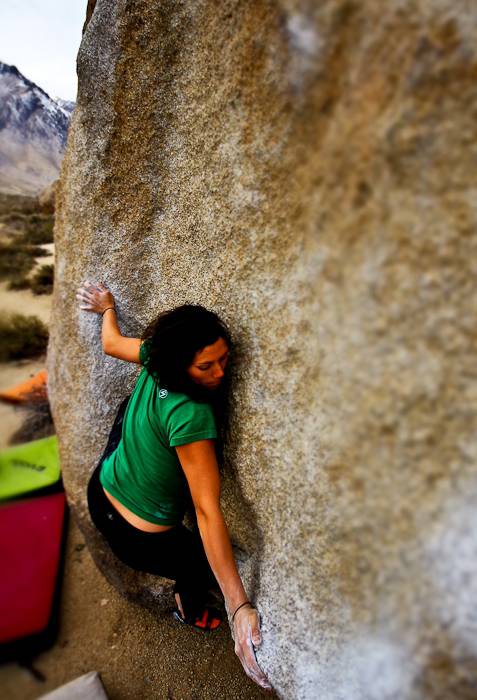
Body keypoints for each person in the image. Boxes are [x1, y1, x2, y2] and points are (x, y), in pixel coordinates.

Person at [76, 280, 271, 691]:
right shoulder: (192, 415)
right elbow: (205, 509)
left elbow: (111, 344)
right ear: (181, 365)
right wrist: (238, 608)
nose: (220, 372)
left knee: (130, 406)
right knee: (199, 564)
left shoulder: (155, 357)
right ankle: (188, 608)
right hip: (141, 538)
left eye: (224, 358)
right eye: (206, 367)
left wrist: (107, 308)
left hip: (103, 488)